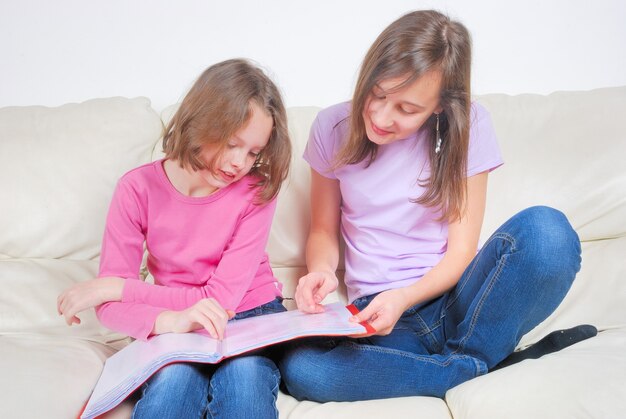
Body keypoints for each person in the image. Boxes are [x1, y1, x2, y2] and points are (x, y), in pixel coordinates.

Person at [278, 10, 584, 401]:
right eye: (378, 93)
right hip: (383, 319)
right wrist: (320, 272)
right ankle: (477, 365)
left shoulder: (469, 126)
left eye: (407, 109)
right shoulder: (331, 127)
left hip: (461, 300)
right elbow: (322, 229)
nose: (381, 116)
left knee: (549, 232)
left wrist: (406, 295)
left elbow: (461, 253)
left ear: (440, 106)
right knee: (305, 369)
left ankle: (458, 363)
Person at [57, 58, 292, 418]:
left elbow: (218, 300)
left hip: (249, 313)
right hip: (172, 319)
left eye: (253, 152)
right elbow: (108, 305)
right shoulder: (137, 189)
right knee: (172, 386)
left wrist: (119, 288)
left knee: (245, 383)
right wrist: (168, 322)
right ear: (201, 121)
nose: (238, 163)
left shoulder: (256, 192)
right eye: (232, 143)